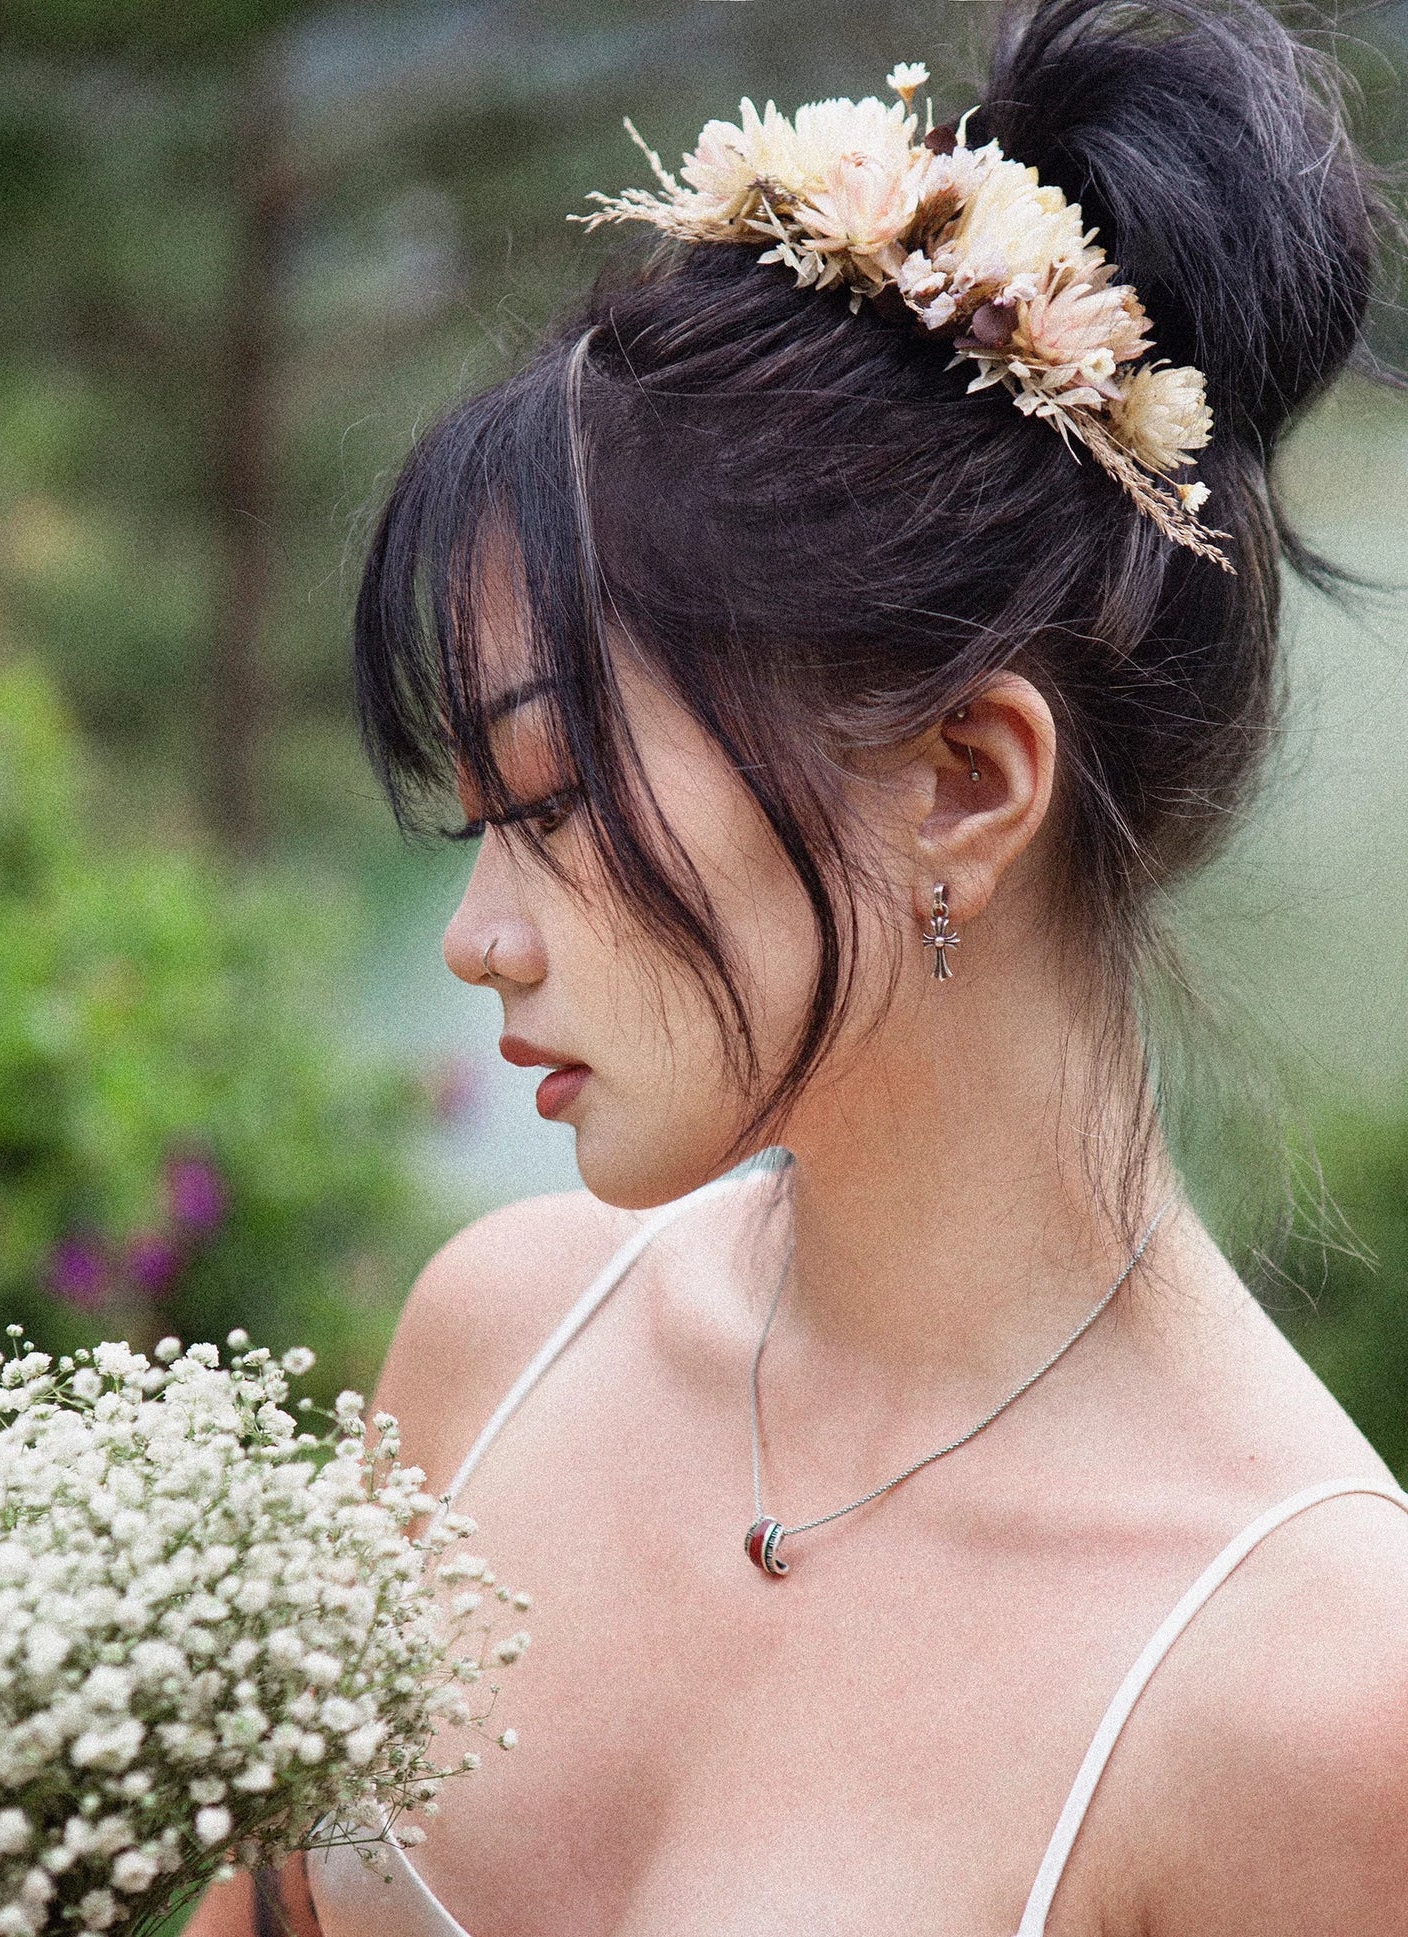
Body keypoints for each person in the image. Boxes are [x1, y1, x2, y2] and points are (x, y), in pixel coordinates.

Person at [188, 0, 1408, 1931]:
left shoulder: (1309, 1688)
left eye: (564, 799)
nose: (477, 938)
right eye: (477, 819)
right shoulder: (493, 1342)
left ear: (964, 779)